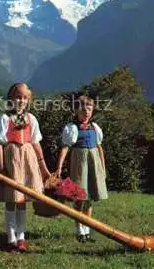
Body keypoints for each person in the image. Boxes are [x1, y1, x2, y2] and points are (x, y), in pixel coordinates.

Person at [0, 83, 51, 252]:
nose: (21, 100)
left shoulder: (31, 119)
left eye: (25, 97)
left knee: (23, 199)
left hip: (28, 158)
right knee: (12, 197)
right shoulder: (4, 118)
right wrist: (1, 168)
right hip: (12, 158)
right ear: (11, 98)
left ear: (29, 99)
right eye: (18, 97)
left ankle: (21, 237)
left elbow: (36, 143)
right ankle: (10, 237)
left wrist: (44, 169)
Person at [55, 96, 108, 243]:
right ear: (76, 110)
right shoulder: (72, 128)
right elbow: (66, 147)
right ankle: (79, 230)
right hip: (80, 164)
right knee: (79, 197)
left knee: (89, 197)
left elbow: (100, 148)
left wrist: (103, 168)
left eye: (89, 109)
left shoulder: (95, 128)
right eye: (83, 109)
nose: (86, 112)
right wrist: (59, 167)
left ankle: (87, 230)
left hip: (93, 163)